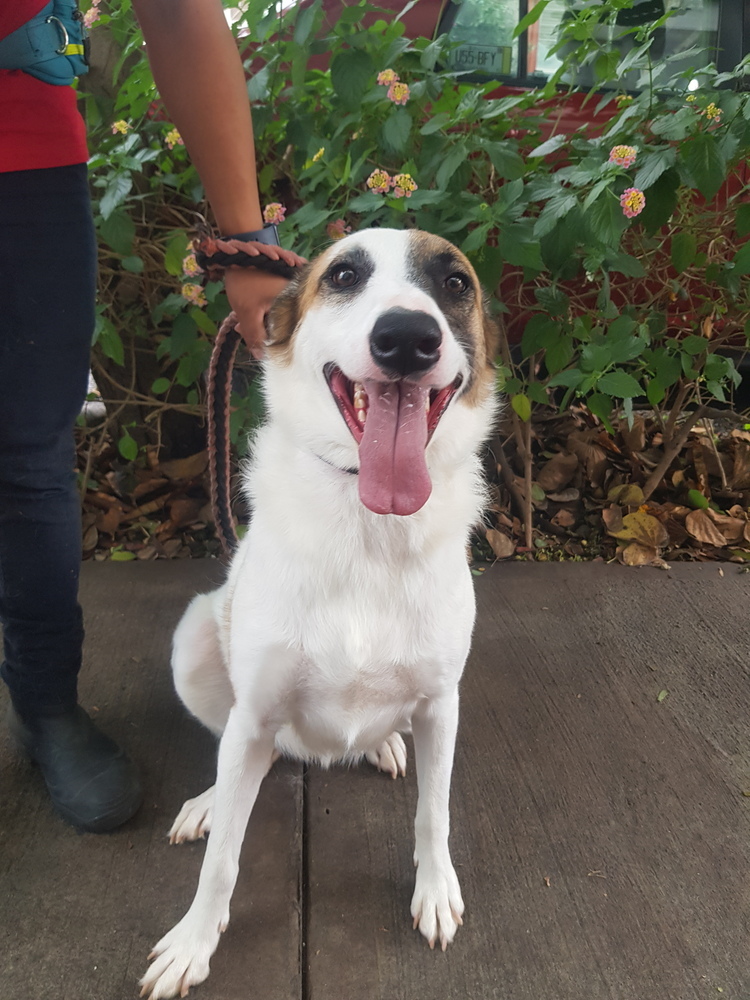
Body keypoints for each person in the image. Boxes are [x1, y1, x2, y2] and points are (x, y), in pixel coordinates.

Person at [0, 0, 285, 832]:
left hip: (25, 163)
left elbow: (177, 9)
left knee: (29, 459)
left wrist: (245, 247)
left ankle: (47, 705)